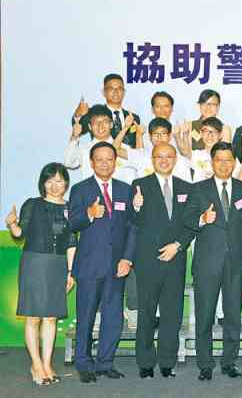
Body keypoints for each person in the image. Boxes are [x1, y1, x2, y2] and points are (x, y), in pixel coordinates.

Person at [67, 142, 136, 383]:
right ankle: (84, 363)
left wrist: (127, 258)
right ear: (92, 162)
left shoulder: (126, 190)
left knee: (113, 316)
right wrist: (88, 214)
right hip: (88, 265)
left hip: (116, 266)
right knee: (85, 316)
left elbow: (132, 227)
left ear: (115, 162)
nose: (105, 163)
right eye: (100, 159)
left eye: (110, 159)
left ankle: (105, 362)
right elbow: (72, 223)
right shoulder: (80, 189)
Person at [183, 142, 242, 381]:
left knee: (233, 315)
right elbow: (187, 219)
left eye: (228, 159)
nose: (224, 164)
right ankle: (205, 364)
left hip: (236, 262)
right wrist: (202, 218)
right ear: (212, 163)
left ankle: (229, 362)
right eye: (219, 160)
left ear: (234, 162)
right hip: (207, 262)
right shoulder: (198, 189)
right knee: (205, 315)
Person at [6, 163, 76, 385]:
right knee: (33, 316)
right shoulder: (33, 204)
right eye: (49, 181)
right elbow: (20, 233)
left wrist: (70, 272)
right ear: (42, 183)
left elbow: (71, 242)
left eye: (59, 180)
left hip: (58, 265)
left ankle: (47, 364)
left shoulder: (70, 207)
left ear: (66, 183)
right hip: (34, 263)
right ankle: (36, 365)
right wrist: (12, 224)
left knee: (51, 317)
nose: (55, 186)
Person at [130, 144, 196, 379]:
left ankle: (167, 361)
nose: (164, 160)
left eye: (169, 156)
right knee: (147, 312)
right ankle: (145, 362)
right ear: (152, 159)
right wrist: (136, 206)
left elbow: (192, 224)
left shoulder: (187, 188)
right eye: (160, 156)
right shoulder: (140, 185)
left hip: (175, 258)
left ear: (176, 159)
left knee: (172, 313)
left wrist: (177, 246)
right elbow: (133, 222)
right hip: (148, 260)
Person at [65, 107, 137, 183]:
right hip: (92, 193)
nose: (100, 125)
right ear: (89, 126)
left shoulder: (124, 148)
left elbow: (132, 176)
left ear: (111, 124)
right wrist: (74, 137)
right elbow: (69, 163)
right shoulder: (84, 149)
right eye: (96, 122)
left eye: (105, 121)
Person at [70, 73, 141, 148]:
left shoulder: (134, 118)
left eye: (120, 88)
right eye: (111, 89)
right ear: (104, 92)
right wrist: (77, 114)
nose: (116, 91)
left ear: (124, 92)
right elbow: (78, 128)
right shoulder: (94, 113)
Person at [128, 118, 192, 182]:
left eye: (163, 133)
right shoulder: (142, 156)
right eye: (155, 133)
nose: (159, 137)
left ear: (170, 136)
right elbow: (118, 151)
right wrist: (126, 128)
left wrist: (182, 135)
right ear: (150, 137)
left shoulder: (180, 160)